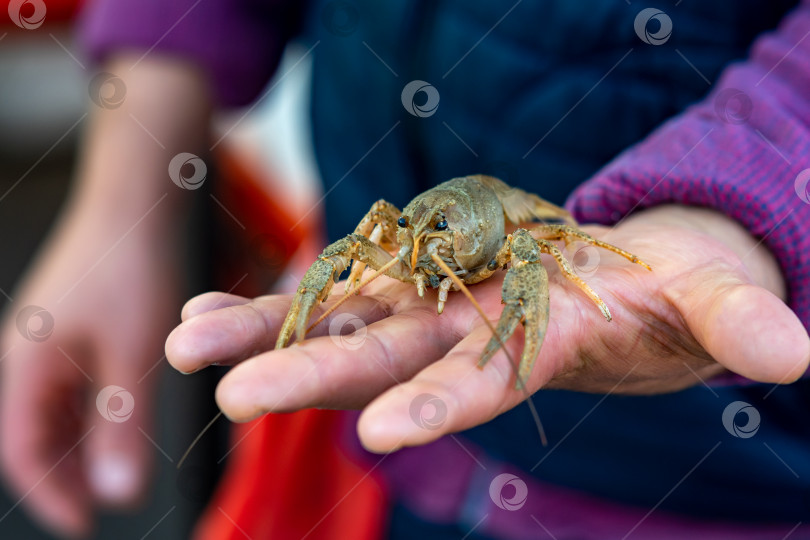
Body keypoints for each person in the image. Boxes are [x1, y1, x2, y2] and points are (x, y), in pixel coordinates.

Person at [3, 0, 809, 538]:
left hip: (705, 487)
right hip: (385, 459)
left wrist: (736, 199)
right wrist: (121, 203)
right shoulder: (401, 240)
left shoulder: (520, 236)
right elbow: (358, 251)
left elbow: (547, 244)